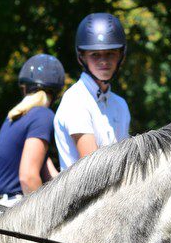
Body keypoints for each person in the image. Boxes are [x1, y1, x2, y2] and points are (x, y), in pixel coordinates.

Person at [53, 13, 130, 170]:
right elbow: (93, 168)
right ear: (82, 57)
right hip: (81, 193)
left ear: (121, 56)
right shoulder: (75, 100)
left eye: (110, 53)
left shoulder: (120, 104)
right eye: (95, 55)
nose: (103, 61)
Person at [0, 54, 64, 207]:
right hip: (15, 206)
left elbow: (49, 174)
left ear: (24, 88)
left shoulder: (15, 117)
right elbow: (28, 177)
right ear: (56, 92)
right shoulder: (43, 115)